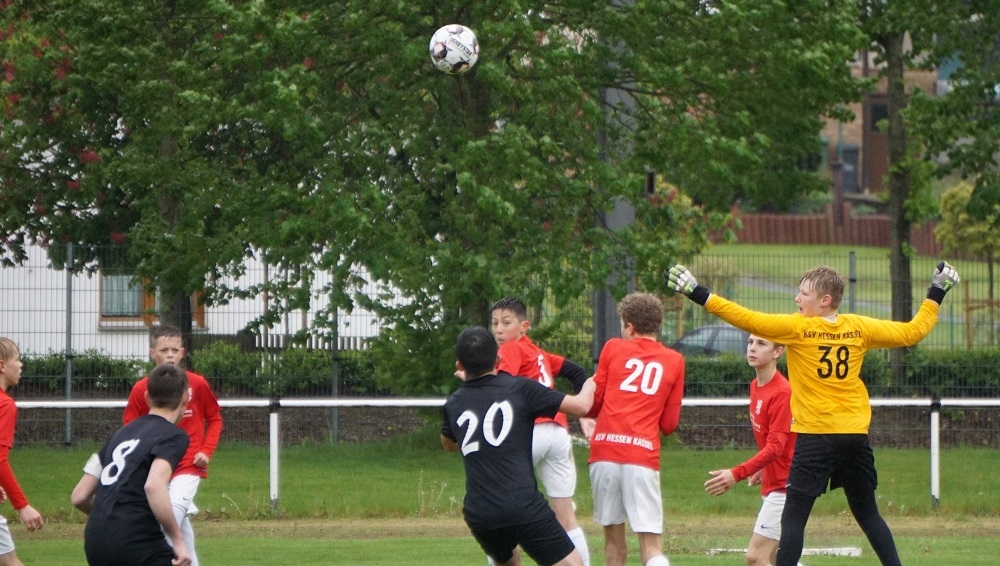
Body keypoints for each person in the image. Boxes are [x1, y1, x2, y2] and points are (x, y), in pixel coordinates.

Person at [667, 261, 960, 566]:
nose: (797, 298)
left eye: (804, 294)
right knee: (868, 514)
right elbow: (912, 332)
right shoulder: (858, 327)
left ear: (825, 300)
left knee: (793, 518)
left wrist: (697, 292)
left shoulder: (799, 328)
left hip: (815, 435)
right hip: (853, 437)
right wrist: (936, 291)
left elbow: (747, 318)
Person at [441, 326, 596, 566]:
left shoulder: (454, 404)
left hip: (481, 513)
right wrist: (591, 384)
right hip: (523, 506)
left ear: (460, 365)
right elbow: (582, 406)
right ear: (498, 359)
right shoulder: (520, 389)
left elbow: (449, 444)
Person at [490, 297, 593, 565]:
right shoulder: (538, 353)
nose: (499, 329)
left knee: (499, 508)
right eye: (495, 323)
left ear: (524, 326)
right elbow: (577, 372)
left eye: (506, 322)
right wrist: (585, 414)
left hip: (530, 432)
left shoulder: (511, 350)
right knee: (565, 515)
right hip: (557, 433)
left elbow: (502, 387)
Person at [586, 292, 684, 566]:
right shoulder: (674, 360)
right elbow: (669, 425)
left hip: (604, 453)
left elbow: (594, 405)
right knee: (651, 548)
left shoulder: (612, 348)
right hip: (641, 455)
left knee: (613, 547)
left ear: (629, 327)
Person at [123, 325, 222, 566]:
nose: (170, 355)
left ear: (182, 353)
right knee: (181, 532)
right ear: (152, 353)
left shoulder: (197, 384)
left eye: (174, 350)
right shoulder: (141, 389)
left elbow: (215, 419)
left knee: (168, 519)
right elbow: (130, 428)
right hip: (156, 467)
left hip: (188, 464)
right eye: (164, 350)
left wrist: (206, 451)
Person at [80, 363, 192, 566]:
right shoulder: (174, 436)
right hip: (136, 542)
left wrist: (110, 518)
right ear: (185, 398)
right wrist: (178, 540)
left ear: (147, 397)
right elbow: (154, 485)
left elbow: (79, 496)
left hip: (95, 541)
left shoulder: (119, 435)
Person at [703, 334, 795, 566]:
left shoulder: (782, 392)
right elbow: (774, 441)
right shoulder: (755, 386)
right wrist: (763, 467)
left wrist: (737, 473)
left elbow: (776, 446)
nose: (752, 348)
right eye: (750, 342)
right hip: (773, 482)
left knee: (756, 557)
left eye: (761, 343)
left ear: (778, 352)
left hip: (786, 486)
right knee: (776, 559)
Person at [0, 338, 43, 566]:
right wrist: (22, 505)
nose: (21, 364)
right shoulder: (5, 404)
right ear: (2, 365)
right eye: (17, 359)